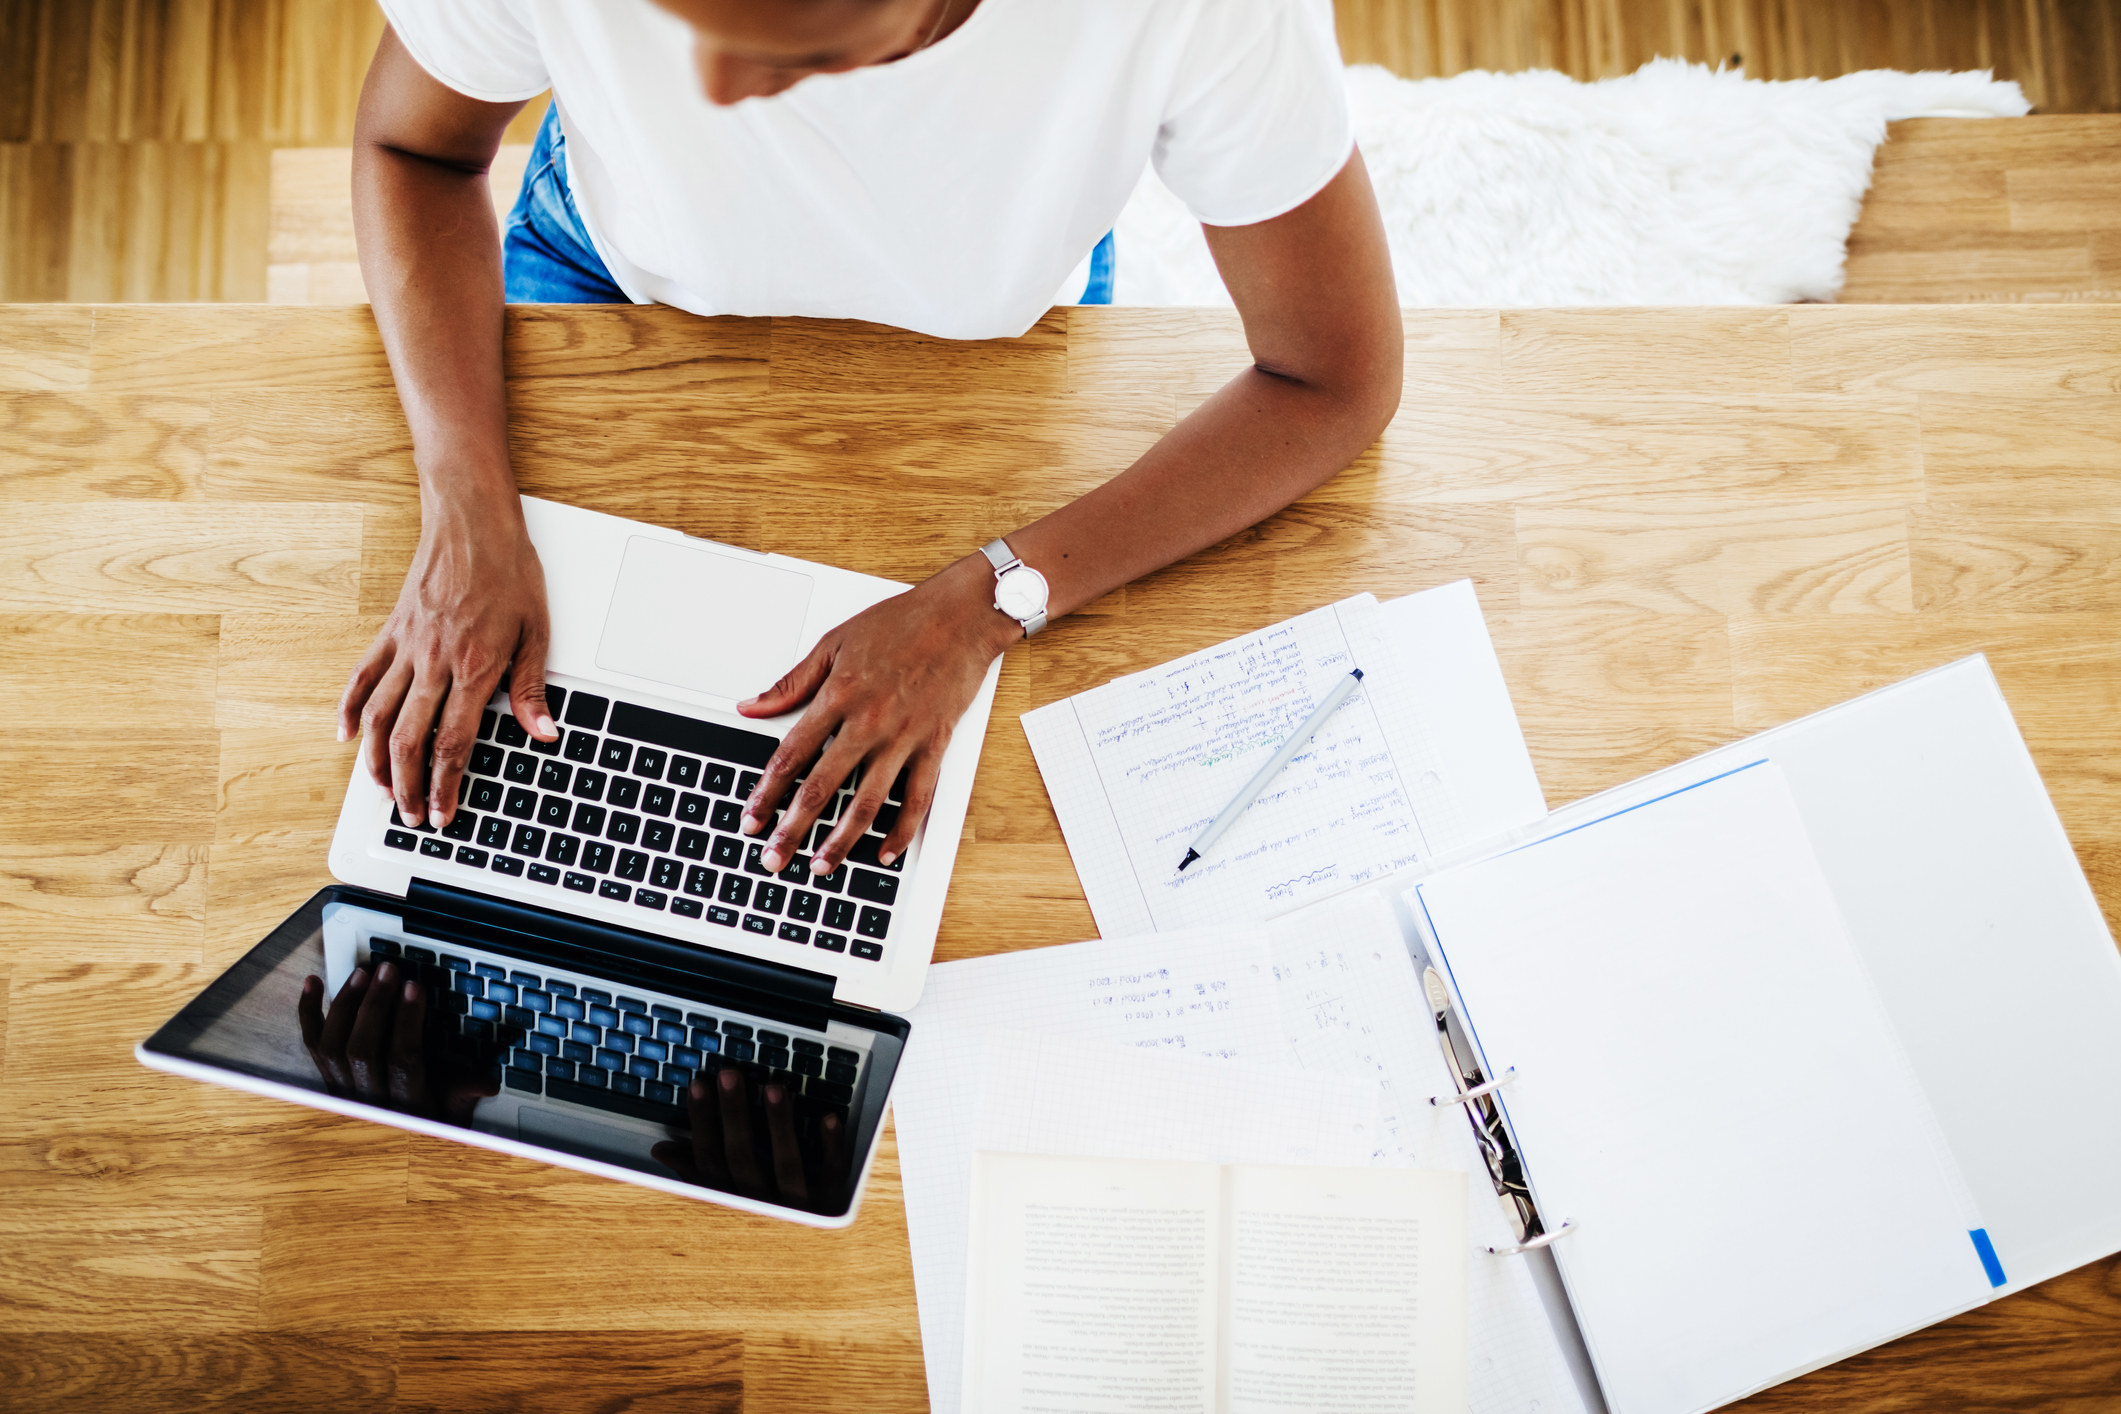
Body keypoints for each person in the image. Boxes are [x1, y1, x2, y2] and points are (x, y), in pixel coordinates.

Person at [339, 0, 1403, 881]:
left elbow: (1335, 377)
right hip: (608, 280)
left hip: (995, 341)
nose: (710, 91)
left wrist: (991, 597)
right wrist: (467, 499)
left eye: (786, 49)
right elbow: (411, 147)